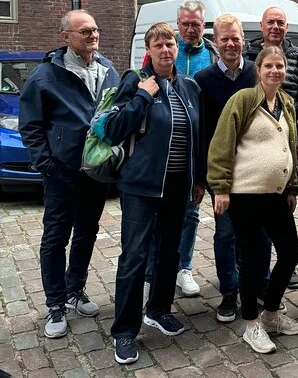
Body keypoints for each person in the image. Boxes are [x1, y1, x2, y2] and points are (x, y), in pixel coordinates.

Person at [107, 22, 206, 364]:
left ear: (177, 49)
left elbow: (197, 136)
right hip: (141, 186)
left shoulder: (189, 86)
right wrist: (142, 97)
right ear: (149, 50)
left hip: (178, 185)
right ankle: (124, 330)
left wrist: (198, 178)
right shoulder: (135, 81)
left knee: (169, 252)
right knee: (134, 257)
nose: (166, 50)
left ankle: (159, 309)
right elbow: (114, 129)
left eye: (170, 44)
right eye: (159, 45)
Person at [19, 9, 120, 339]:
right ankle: (55, 304)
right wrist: (47, 165)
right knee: (55, 237)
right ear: (66, 37)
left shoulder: (108, 69)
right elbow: (30, 125)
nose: (93, 35)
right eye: (85, 31)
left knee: (87, 231)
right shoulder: (46, 75)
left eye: (95, 29)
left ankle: (75, 289)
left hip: (96, 171)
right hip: (62, 172)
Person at [208, 46, 298, 354]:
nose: (275, 71)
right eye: (269, 66)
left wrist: (292, 187)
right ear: (258, 70)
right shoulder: (244, 100)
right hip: (245, 195)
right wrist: (221, 188)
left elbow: (290, 145)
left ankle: (270, 314)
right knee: (250, 260)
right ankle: (251, 324)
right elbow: (222, 144)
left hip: (276, 195)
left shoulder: (286, 102)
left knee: (290, 253)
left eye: (280, 66)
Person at [144, 0, 218, 300]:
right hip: (161, 153)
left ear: (203, 25)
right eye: (185, 24)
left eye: (195, 24)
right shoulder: (162, 55)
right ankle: (151, 272)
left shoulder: (211, 55)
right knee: (156, 218)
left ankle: (183, 267)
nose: (190, 29)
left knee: (191, 213)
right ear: (178, 24)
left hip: (197, 146)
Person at [193, 14, 257, 323]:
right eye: (224, 39)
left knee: (257, 233)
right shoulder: (203, 80)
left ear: (243, 40)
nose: (230, 44)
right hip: (223, 172)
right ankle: (229, 292)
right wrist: (202, 177)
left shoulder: (257, 73)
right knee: (225, 233)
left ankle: (255, 288)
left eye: (235, 38)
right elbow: (201, 131)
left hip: (256, 169)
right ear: (215, 42)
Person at [244, 6, 298, 290]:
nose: (275, 26)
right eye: (270, 22)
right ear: (261, 26)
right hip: (256, 145)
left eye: (280, 22)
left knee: (283, 206)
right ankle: (256, 271)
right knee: (256, 216)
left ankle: (283, 265)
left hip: (286, 143)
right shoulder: (248, 55)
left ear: (287, 27)